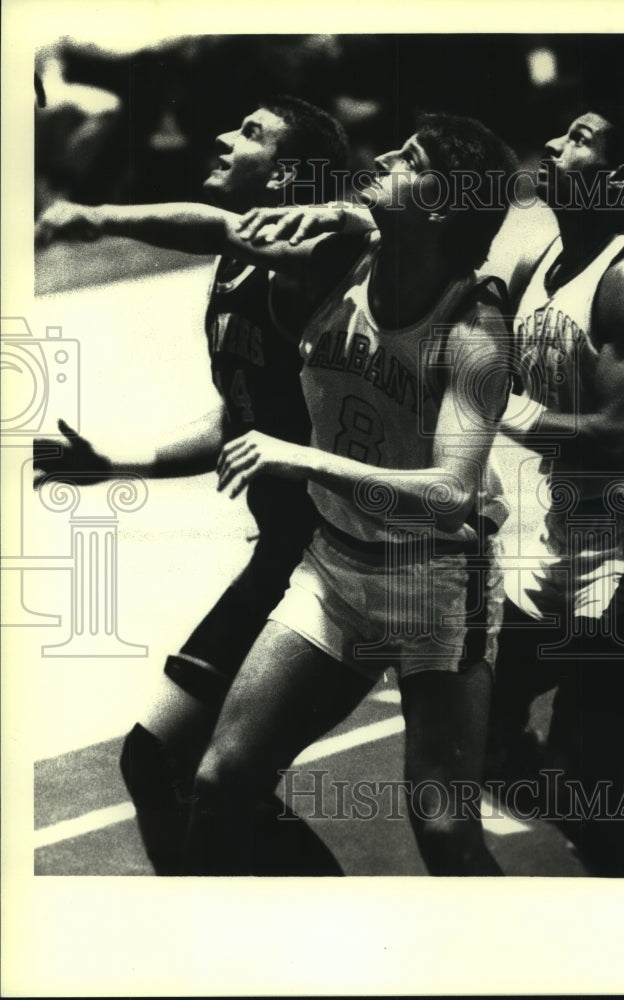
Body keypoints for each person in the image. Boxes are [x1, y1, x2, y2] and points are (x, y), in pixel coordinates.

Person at [180, 113, 515, 875]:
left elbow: (450, 492)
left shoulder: (474, 323)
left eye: (413, 158)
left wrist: (302, 459)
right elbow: (211, 226)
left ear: (439, 205)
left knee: (443, 832)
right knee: (220, 779)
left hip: (433, 582)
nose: (387, 152)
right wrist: (85, 221)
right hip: (334, 569)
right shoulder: (335, 263)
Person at [34, 95, 353, 875]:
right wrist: (117, 464)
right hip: (283, 548)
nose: (219, 134)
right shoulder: (241, 261)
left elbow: (213, 223)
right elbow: (241, 418)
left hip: (330, 560)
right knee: (182, 772)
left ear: (288, 177)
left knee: (181, 769)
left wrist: (95, 215)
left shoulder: (305, 262)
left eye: (248, 133)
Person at [485, 105, 624, 876]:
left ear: (617, 179)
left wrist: (491, 399)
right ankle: (610, 844)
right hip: (563, 536)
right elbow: (446, 305)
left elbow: (614, 434)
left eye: (577, 139)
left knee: (581, 785)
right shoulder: (534, 264)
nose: (550, 143)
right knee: (477, 730)